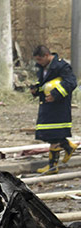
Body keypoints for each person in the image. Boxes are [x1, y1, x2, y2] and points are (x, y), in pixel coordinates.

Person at [31, 45, 78, 175]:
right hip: (47, 104)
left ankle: (52, 166)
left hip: (59, 106)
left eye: (39, 60)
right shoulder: (42, 68)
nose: (38, 63)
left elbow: (71, 82)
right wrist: (36, 90)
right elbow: (44, 85)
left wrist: (56, 94)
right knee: (49, 133)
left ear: (46, 56)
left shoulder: (61, 66)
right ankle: (68, 147)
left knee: (54, 135)